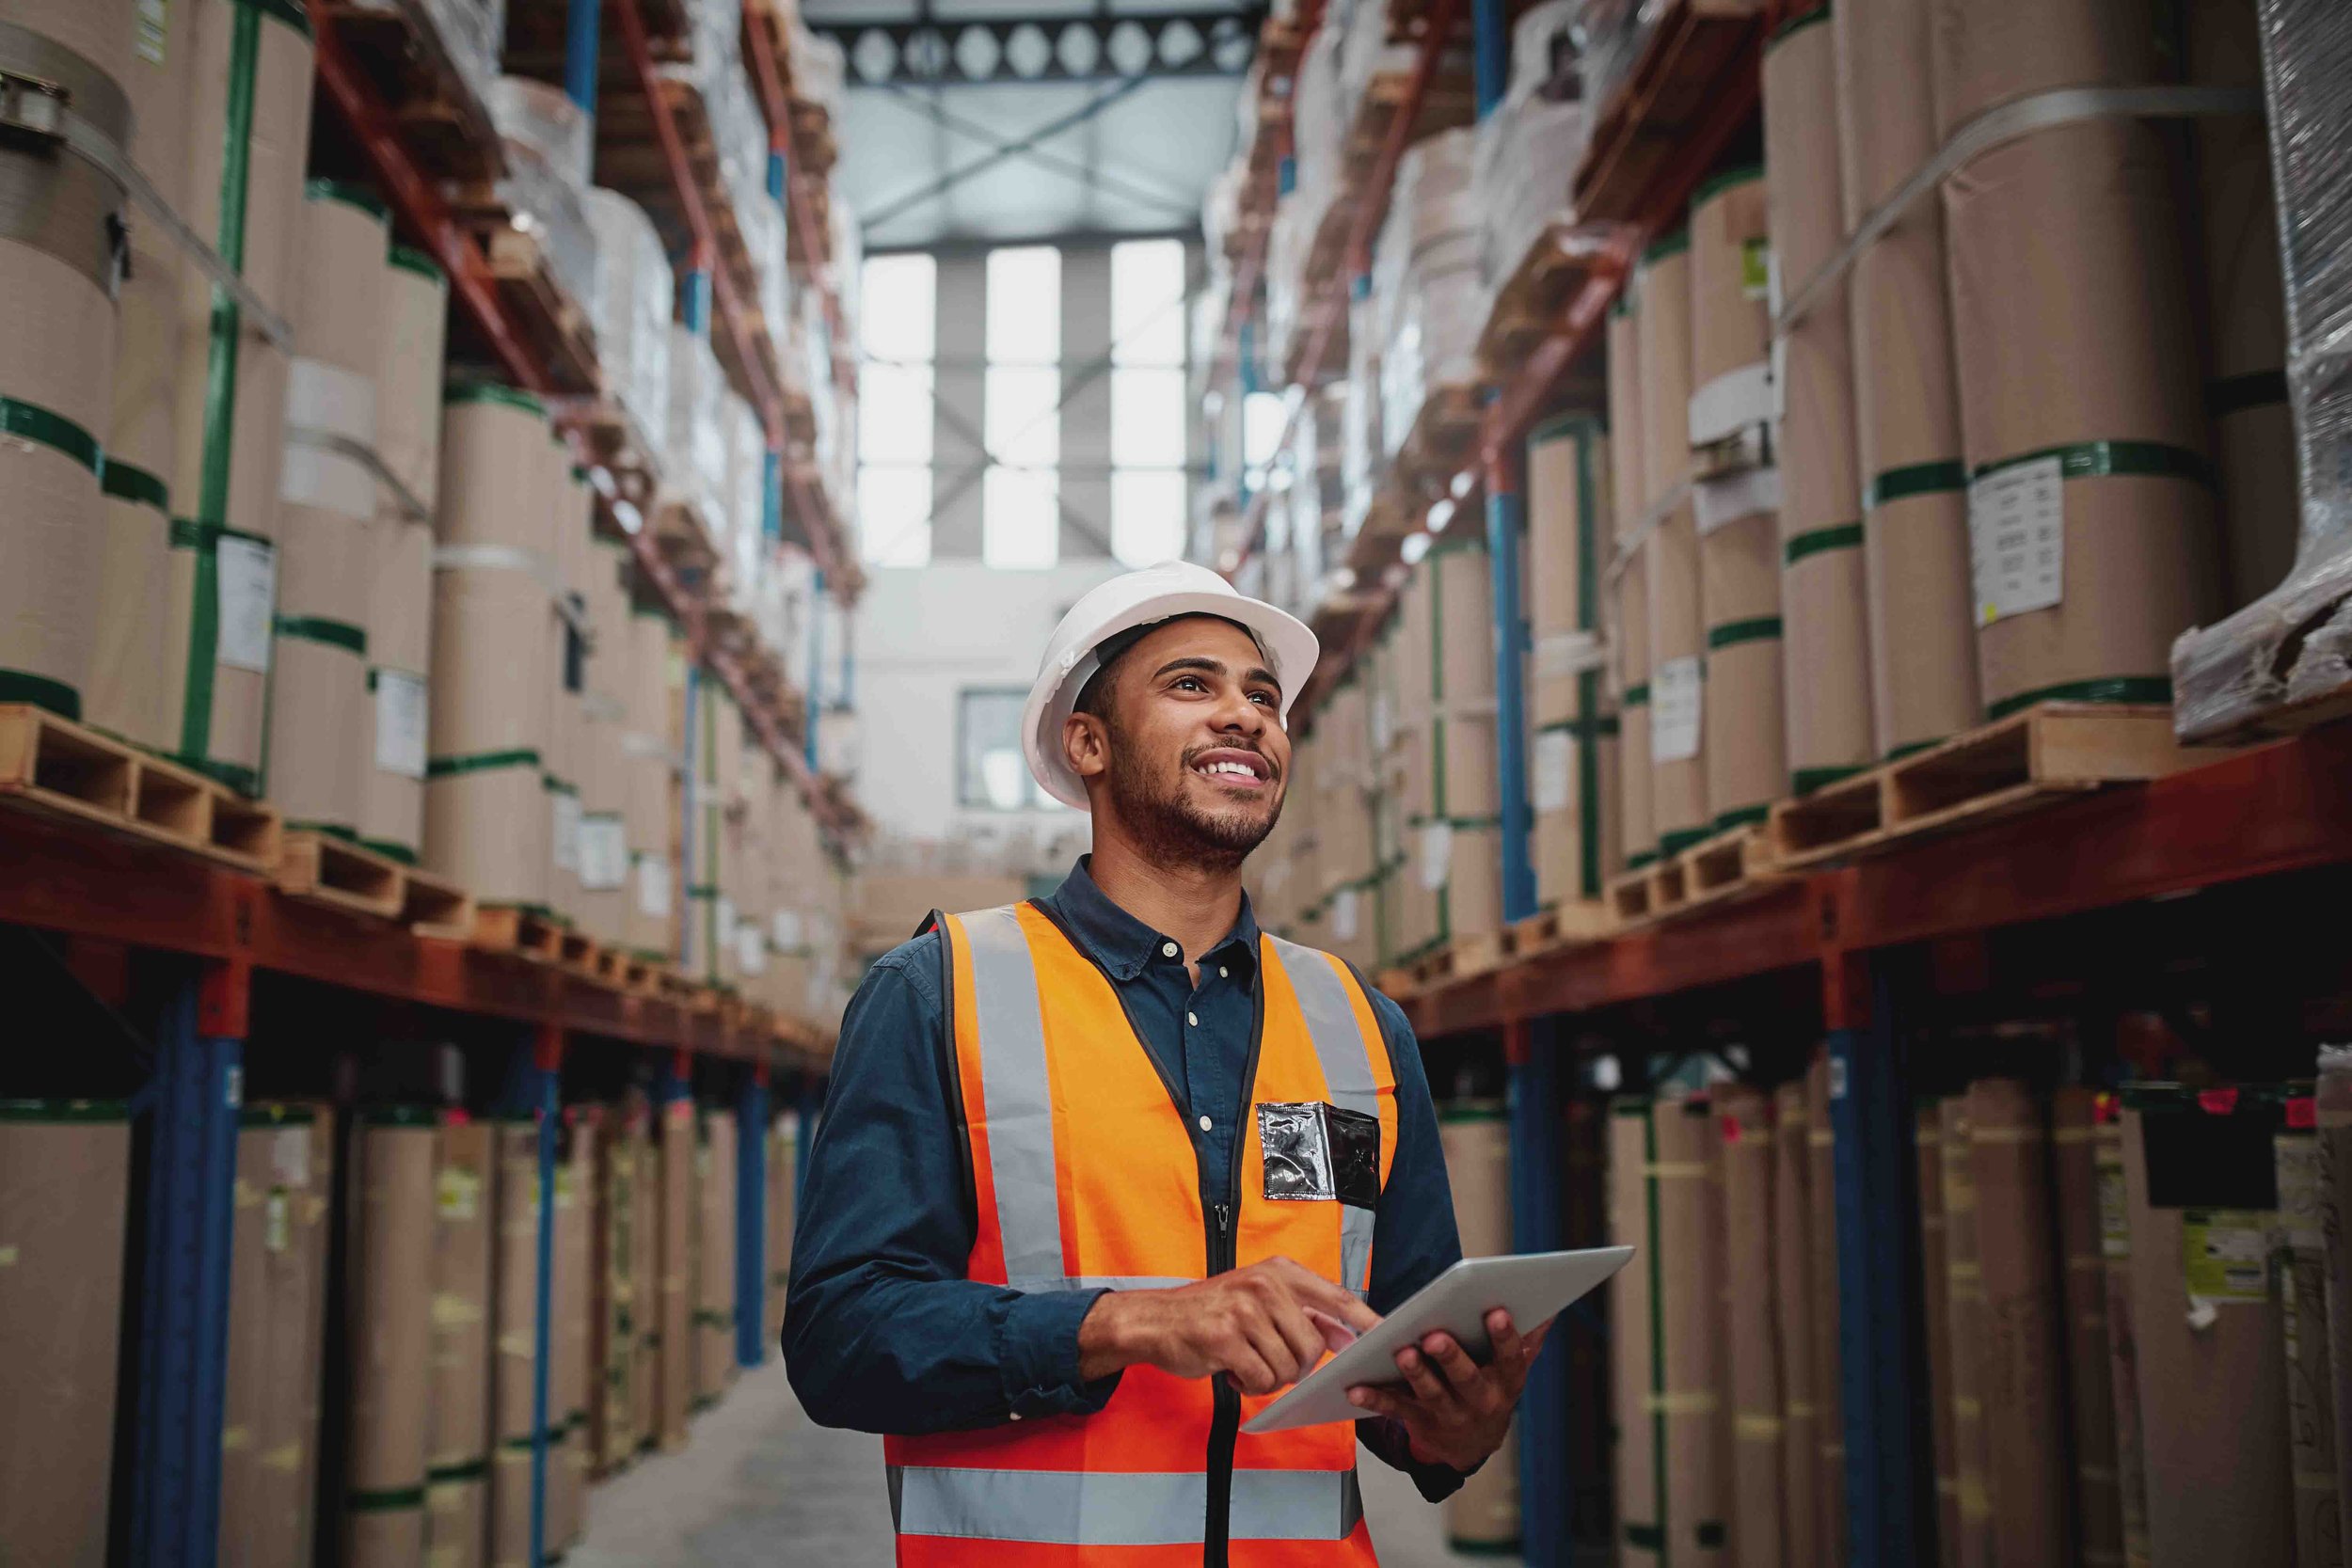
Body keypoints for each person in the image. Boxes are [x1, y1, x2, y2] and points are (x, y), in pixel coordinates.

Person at [784, 561, 1546, 1563]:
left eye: (1262, 695)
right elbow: (842, 1338)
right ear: (1086, 742)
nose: (1244, 714)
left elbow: (1395, 1368)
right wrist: (1122, 1323)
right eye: (1193, 684)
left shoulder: (1357, 1024)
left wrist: (1456, 1424)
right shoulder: (941, 991)